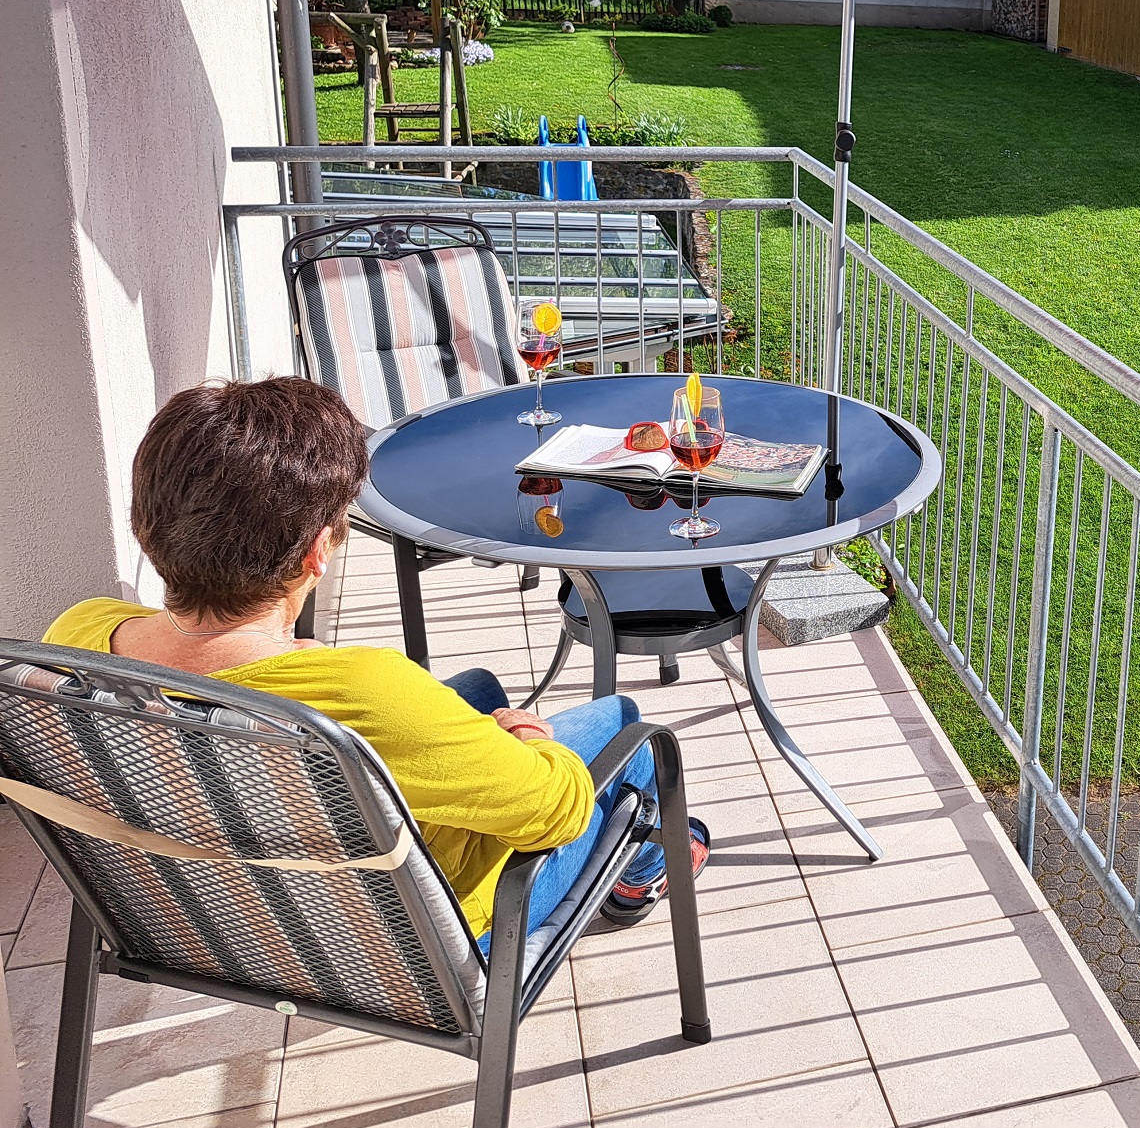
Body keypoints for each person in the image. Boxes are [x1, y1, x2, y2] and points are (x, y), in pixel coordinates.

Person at [42, 377, 707, 947]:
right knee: (623, 727)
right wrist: (528, 735)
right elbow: (559, 810)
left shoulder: (77, 634)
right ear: (316, 555)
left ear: (149, 527)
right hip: (400, 941)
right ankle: (638, 875)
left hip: (214, 920)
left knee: (477, 689)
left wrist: (287, 658)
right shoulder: (363, 692)